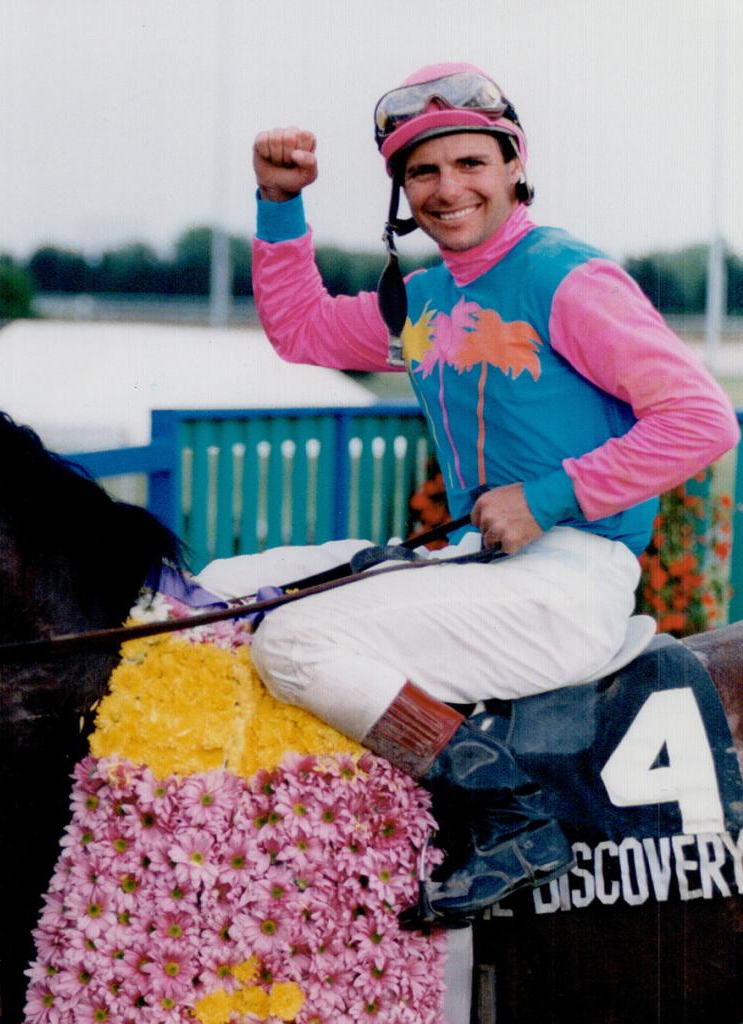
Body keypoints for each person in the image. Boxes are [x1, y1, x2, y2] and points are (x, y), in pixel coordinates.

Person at [201, 62, 739, 923]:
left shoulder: (569, 276)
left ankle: (513, 813)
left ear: (514, 168)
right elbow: (301, 330)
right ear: (403, 194)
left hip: (573, 577)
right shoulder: (423, 296)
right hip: (478, 564)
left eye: (470, 165)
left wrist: (550, 497)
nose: (448, 189)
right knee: (219, 592)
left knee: (295, 644)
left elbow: (702, 421)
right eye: (423, 172)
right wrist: (279, 202)